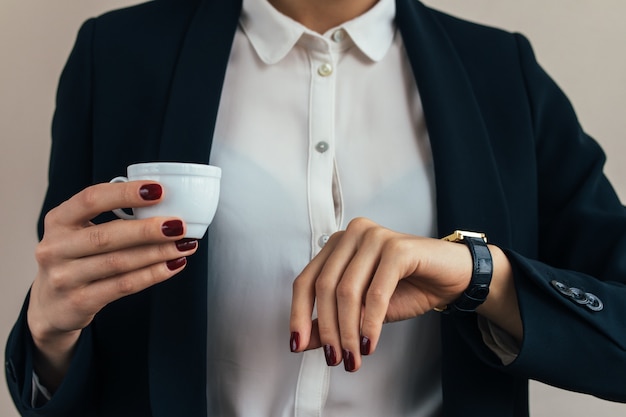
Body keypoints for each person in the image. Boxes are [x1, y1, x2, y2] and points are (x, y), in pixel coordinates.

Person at [5, 0, 626, 415]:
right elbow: (71, 346)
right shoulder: (115, 56)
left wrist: (476, 273)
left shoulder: (501, 72)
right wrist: (51, 336)